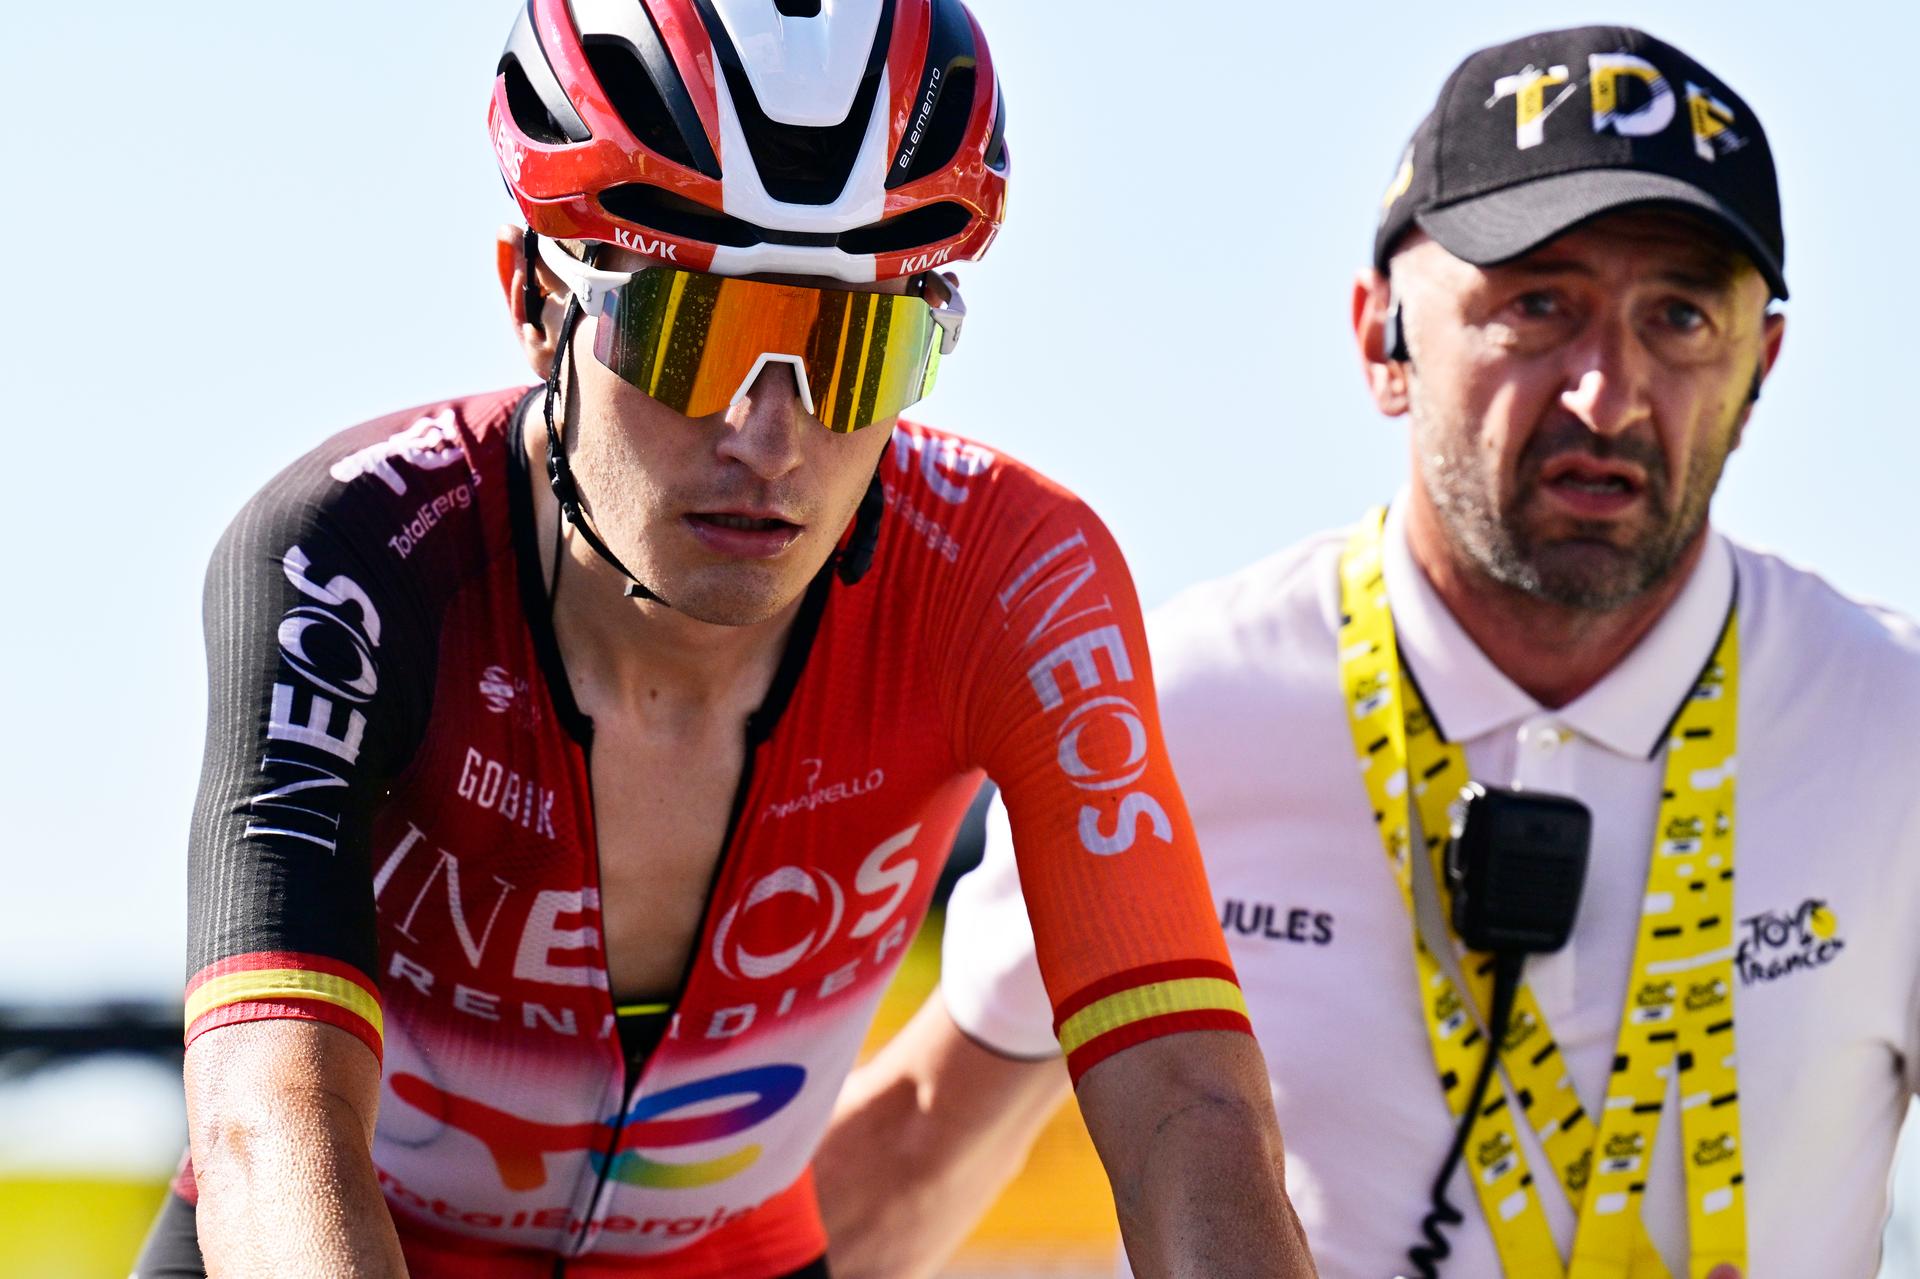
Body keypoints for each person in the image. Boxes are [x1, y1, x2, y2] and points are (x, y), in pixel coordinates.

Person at [133, 2, 1318, 1277]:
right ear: (534, 302)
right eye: (696, 339)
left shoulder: (1014, 578)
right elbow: (270, 1117)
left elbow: (1191, 1112)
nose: (771, 438)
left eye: (855, 352)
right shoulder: (354, 549)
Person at [819, 24, 1920, 1279]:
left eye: (1680, 316)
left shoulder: (1895, 726)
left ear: (1762, 362)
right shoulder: (1171, 710)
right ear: (1380, 338)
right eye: (1536, 305)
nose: (1608, 393)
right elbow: (922, 1145)